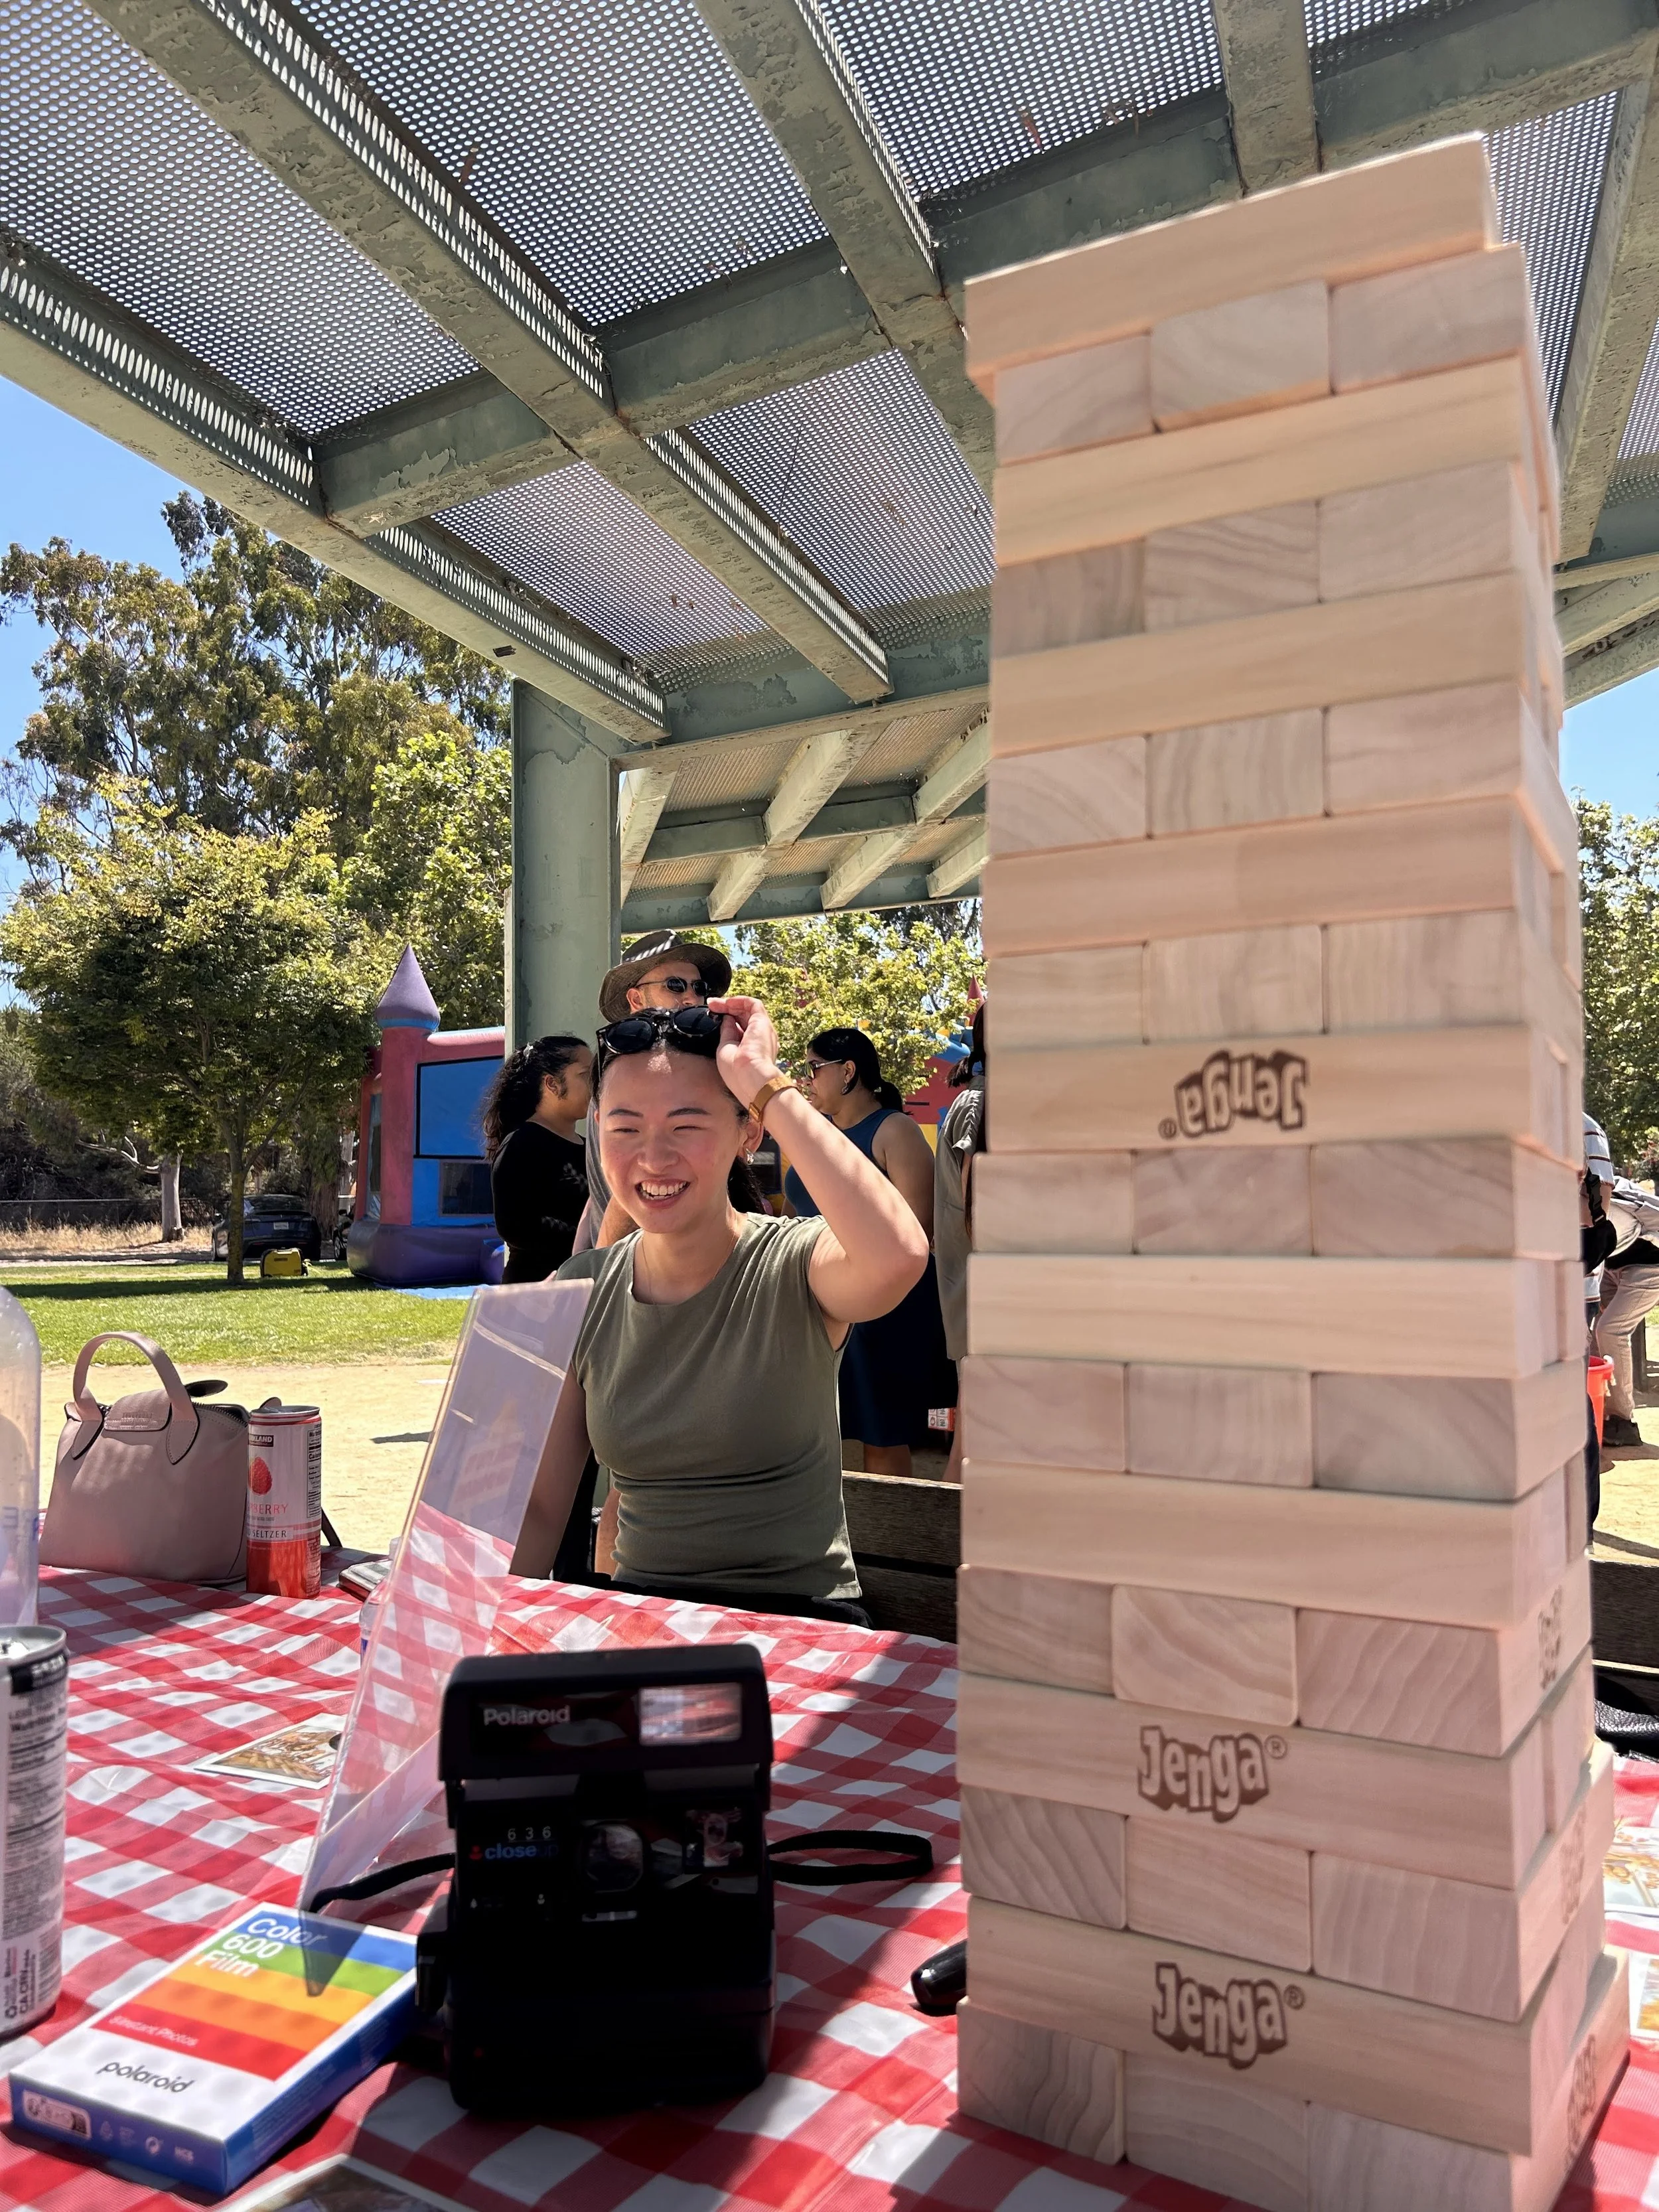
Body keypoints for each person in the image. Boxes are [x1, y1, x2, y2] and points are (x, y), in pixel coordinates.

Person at [509, 996, 930, 1623]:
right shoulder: (580, 1290)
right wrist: (456, 1623)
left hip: (794, 1625)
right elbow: (539, 1508)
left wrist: (767, 1086)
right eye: (625, 1128)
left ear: (748, 1131)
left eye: (687, 1124)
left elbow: (897, 1255)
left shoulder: (794, 1262)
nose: (653, 1157)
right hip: (644, 1620)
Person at [786, 1026, 950, 1479]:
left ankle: (892, 1544)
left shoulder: (895, 1130)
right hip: (814, 1300)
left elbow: (919, 1226)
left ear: (848, 1071)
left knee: (882, 1433)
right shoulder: (815, 1134)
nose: (807, 1081)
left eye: (813, 1069)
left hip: (883, 1309)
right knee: (817, 1432)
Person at [575, 931, 733, 1254]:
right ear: (636, 1000)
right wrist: (595, 1268)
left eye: (699, 988)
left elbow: (600, 1193)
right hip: (634, 1270)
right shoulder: (621, 1077)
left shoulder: (613, 1075)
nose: (691, 998)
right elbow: (613, 1191)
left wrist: (582, 1263)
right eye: (675, 985)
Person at [484, 1035, 593, 1281]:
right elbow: (514, 1225)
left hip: (585, 1291)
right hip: (535, 1295)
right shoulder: (521, 1144)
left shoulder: (590, 1147)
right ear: (552, 1084)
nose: (596, 1084)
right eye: (585, 1074)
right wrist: (587, 1240)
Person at [934, 1002, 985, 1482]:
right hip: (986, 1299)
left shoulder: (976, 1099)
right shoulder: (980, 1103)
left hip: (982, 1296)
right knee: (971, 1447)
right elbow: (979, 1211)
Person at [1594, 1139, 1659, 1449]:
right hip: (1614, 1265)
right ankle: (1596, 1407)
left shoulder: (1606, 1207)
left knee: (1611, 1330)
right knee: (1595, 1330)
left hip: (1649, 1266)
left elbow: (1591, 1254)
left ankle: (1623, 1421)